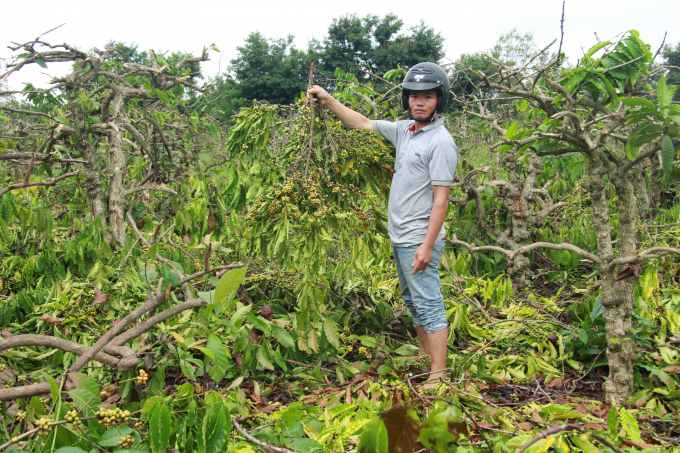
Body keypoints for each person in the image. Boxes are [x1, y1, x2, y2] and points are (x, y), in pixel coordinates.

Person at [307, 62, 459, 387]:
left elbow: (442, 200)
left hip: (419, 238)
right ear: (407, 99)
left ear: (439, 100)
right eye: (414, 96)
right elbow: (360, 123)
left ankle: (439, 374)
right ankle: (423, 354)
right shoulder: (405, 131)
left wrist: (427, 246)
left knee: (429, 303)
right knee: (413, 301)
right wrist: (327, 99)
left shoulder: (441, 143)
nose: (419, 102)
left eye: (428, 97)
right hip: (401, 237)